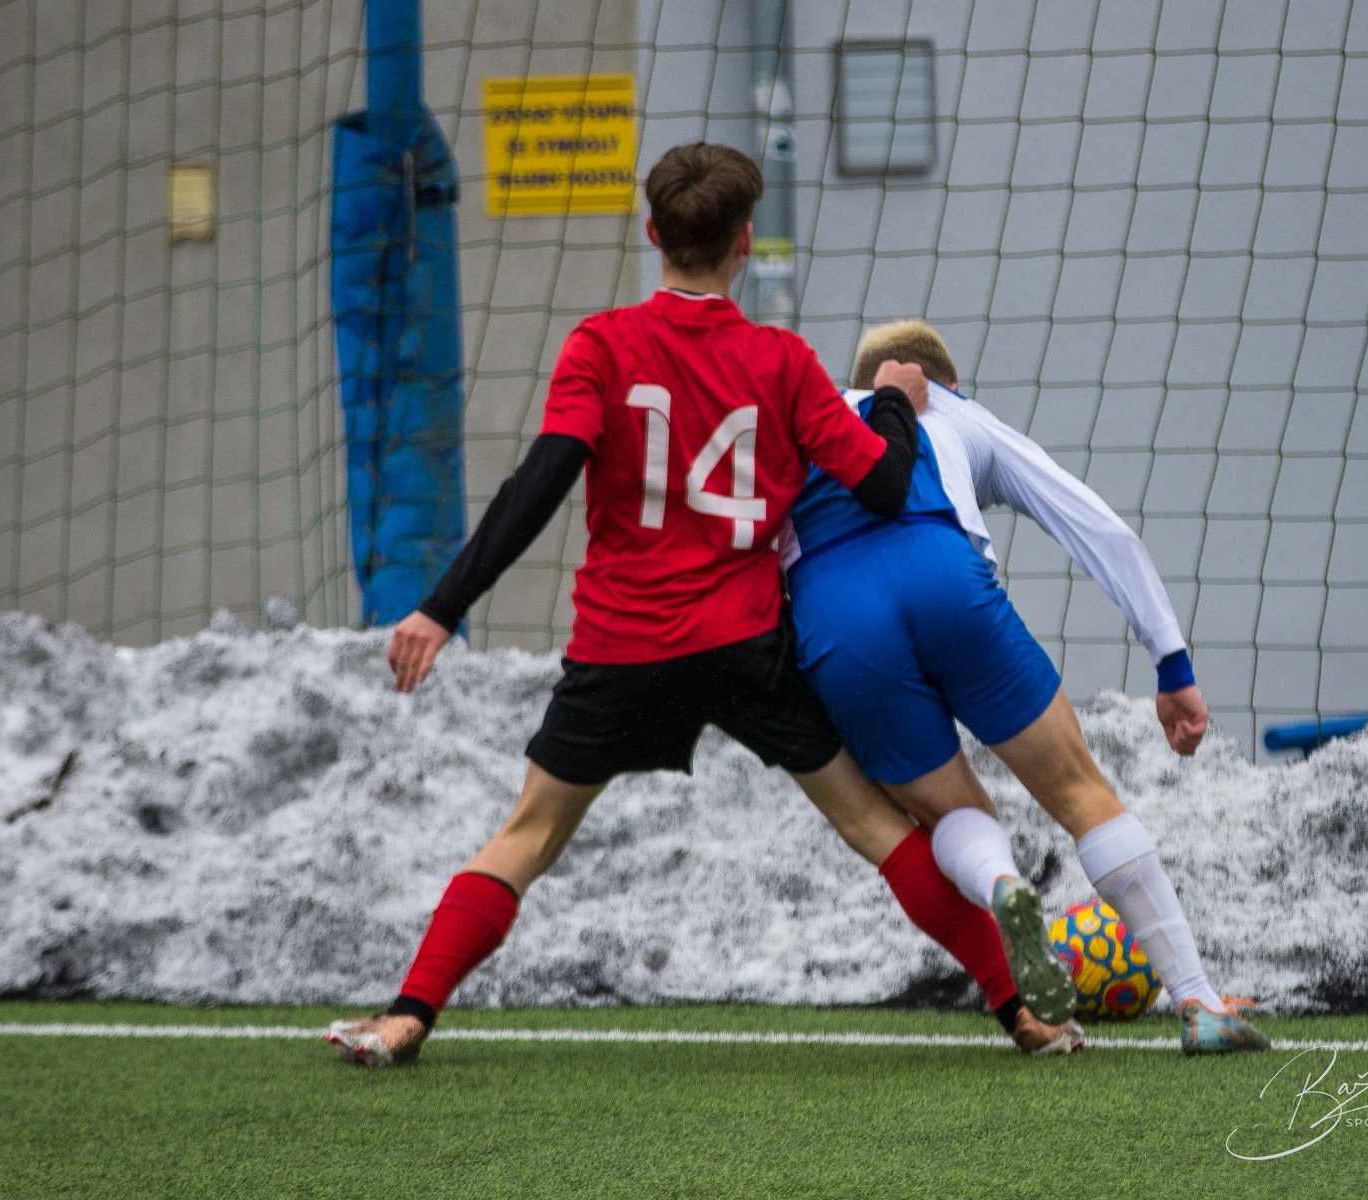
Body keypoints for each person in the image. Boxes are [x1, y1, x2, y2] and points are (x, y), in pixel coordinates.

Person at [325, 146, 1082, 1068]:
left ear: (653, 234)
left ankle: (408, 1015)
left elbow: (539, 483)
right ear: (744, 243)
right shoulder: (782, 361)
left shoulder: (600, 346)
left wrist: (441, 609)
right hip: (744, 643)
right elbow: (884, 489)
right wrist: (892, 403)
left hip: (622, 645)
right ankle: (1021, 1014)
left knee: (527, 836)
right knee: (876, 828)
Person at [780, 319, 1270, 1056]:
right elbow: (1097, 528)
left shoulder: (801, 420)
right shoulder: (956, 413)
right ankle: (1199, 1003)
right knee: (1080, 792)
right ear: (943, 384)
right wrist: (1171, 664)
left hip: (833, 615)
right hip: (942, 572)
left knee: (954, 814)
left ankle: (1002, 883)